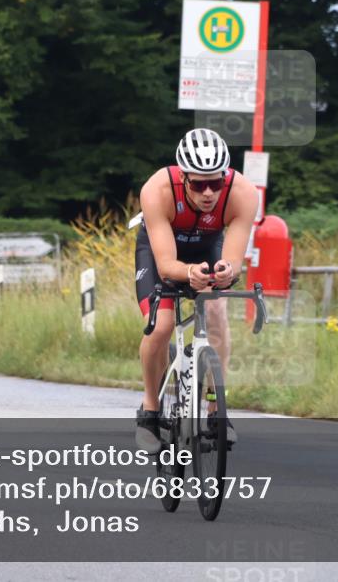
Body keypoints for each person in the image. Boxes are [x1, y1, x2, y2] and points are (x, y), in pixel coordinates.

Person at [133, 128, 258, 453]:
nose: (208, 193)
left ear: (225, 177)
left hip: (207, 246)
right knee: (161, 327)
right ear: (182, 177)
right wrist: (189, 273)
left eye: (215, 183)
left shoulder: (242, 193)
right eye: (198, 184)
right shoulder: (157, 190)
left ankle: (217, 412)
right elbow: (166, 265)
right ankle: (150, 410)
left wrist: (226, 271)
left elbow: (233, 261)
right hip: (162, 251)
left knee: (216, 313)